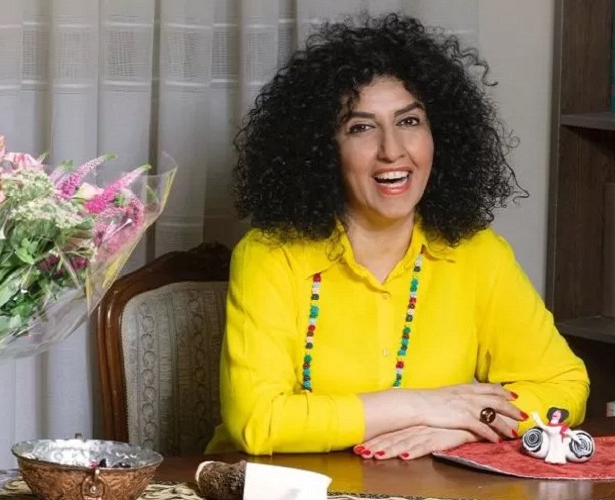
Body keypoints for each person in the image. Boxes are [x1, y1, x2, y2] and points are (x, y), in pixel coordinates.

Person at [205, 13, 589, 459]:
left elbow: (564, 384)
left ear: (439, 134)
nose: (392, 150)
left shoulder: (478, 253)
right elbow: (259, 421)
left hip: (426, 485)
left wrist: (467, 426)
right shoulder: (270, 255)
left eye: (409, 122)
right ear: (322, 149)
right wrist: (424, 405)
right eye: (361, 127)